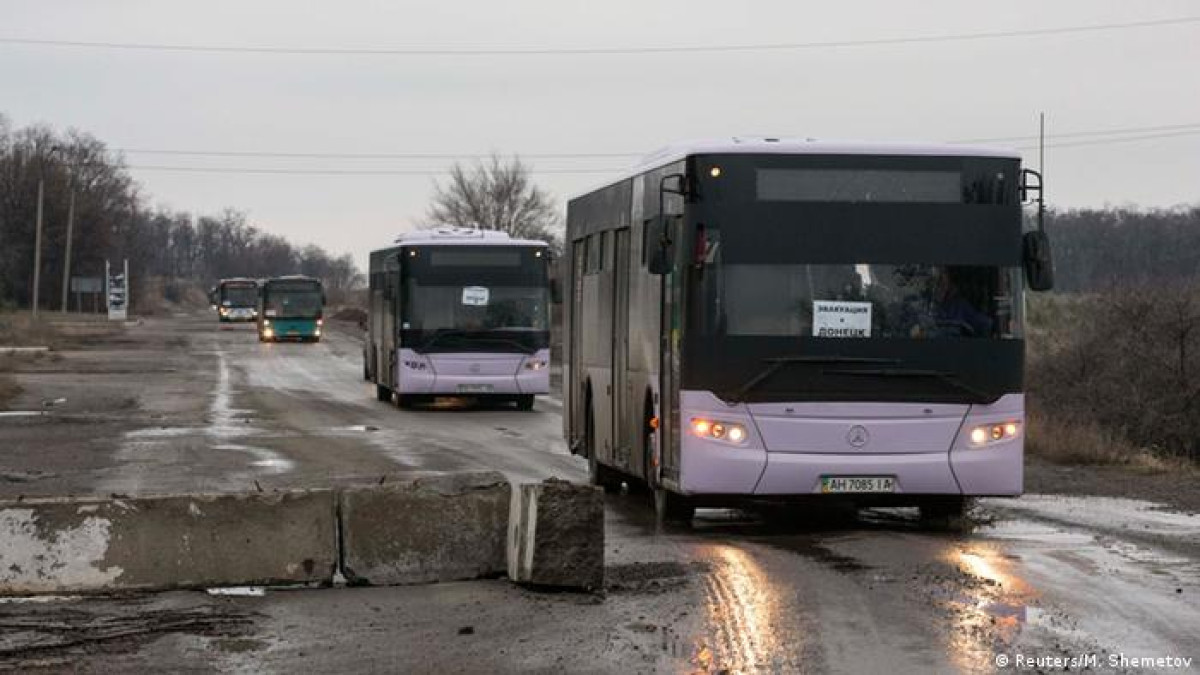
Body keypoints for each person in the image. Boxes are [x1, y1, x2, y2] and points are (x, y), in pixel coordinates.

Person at [931, 268, 992, 336]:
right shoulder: (928, 309)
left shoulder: (960, 306)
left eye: (942, 284)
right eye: (934, 284)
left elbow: (985, 323)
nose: (936, 288)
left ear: (951, 287)